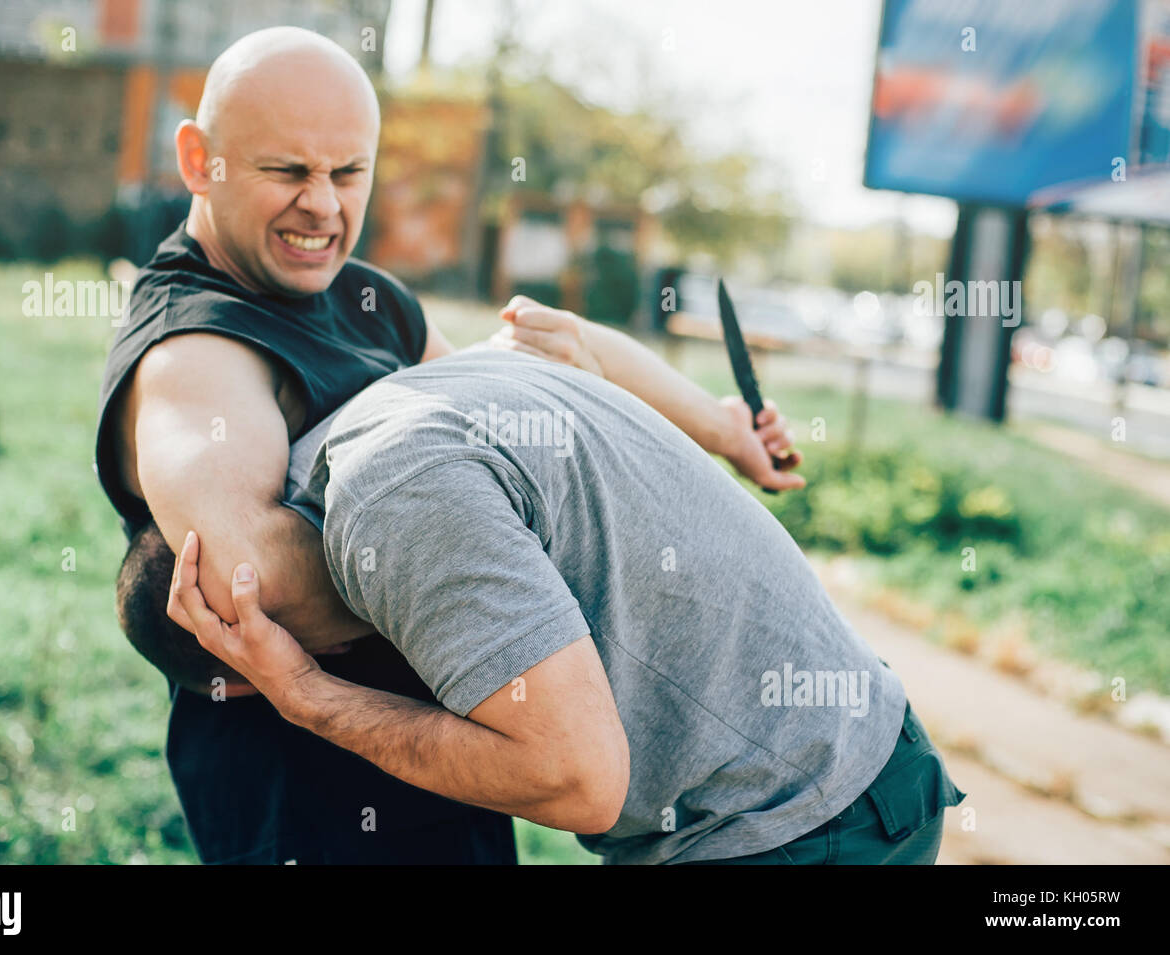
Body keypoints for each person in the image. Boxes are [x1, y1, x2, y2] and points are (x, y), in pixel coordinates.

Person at [96, 26, 803, 864]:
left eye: (347, 172)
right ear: (198, 159)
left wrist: (721, 428)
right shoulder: (196, 348)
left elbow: (501, 388)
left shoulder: (362, 296)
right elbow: (246, 578)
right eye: (286, 171)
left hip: (443, 758)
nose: (322, 205)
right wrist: (485, 563)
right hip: (310, 803)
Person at [160, 347, 966, 865]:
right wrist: (719, 424)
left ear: (245, 662)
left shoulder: (391, 498)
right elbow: (557, 332)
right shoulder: (400, 398)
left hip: (796, 823)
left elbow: (578, 777)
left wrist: (309, 699)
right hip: (863, 760)